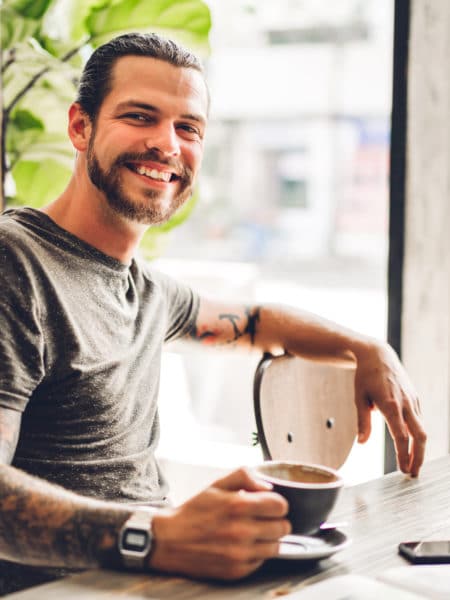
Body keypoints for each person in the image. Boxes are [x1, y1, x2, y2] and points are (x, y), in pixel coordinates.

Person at [0, 32, 426, 593]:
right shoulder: (17, 263)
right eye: (140, 116)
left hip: (167, 580)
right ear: (81, 127)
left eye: (187, 128)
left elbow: (258, 322)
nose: (167, 145)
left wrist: (370, 348)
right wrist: (157, 535)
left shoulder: (146, 288)